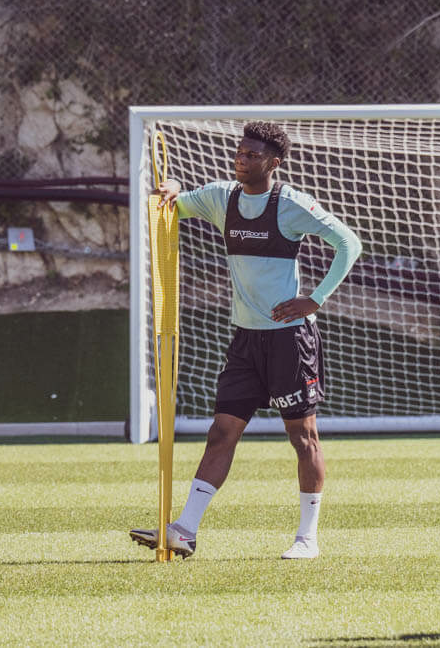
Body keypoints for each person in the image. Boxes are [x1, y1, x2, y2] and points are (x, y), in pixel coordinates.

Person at [130, 121, 362, 559]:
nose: (241, 160)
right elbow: (176, 205)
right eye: (239, 153)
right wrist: (172, 188)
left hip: (290, 341)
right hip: (245, 341)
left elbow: (349, 243)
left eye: (252, 155)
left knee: (303, 437)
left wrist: (314, 299)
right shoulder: (222, 197)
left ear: (274, 163)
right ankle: (185, 530)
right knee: (221, 432)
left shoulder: (291, 204)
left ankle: (307, 540)